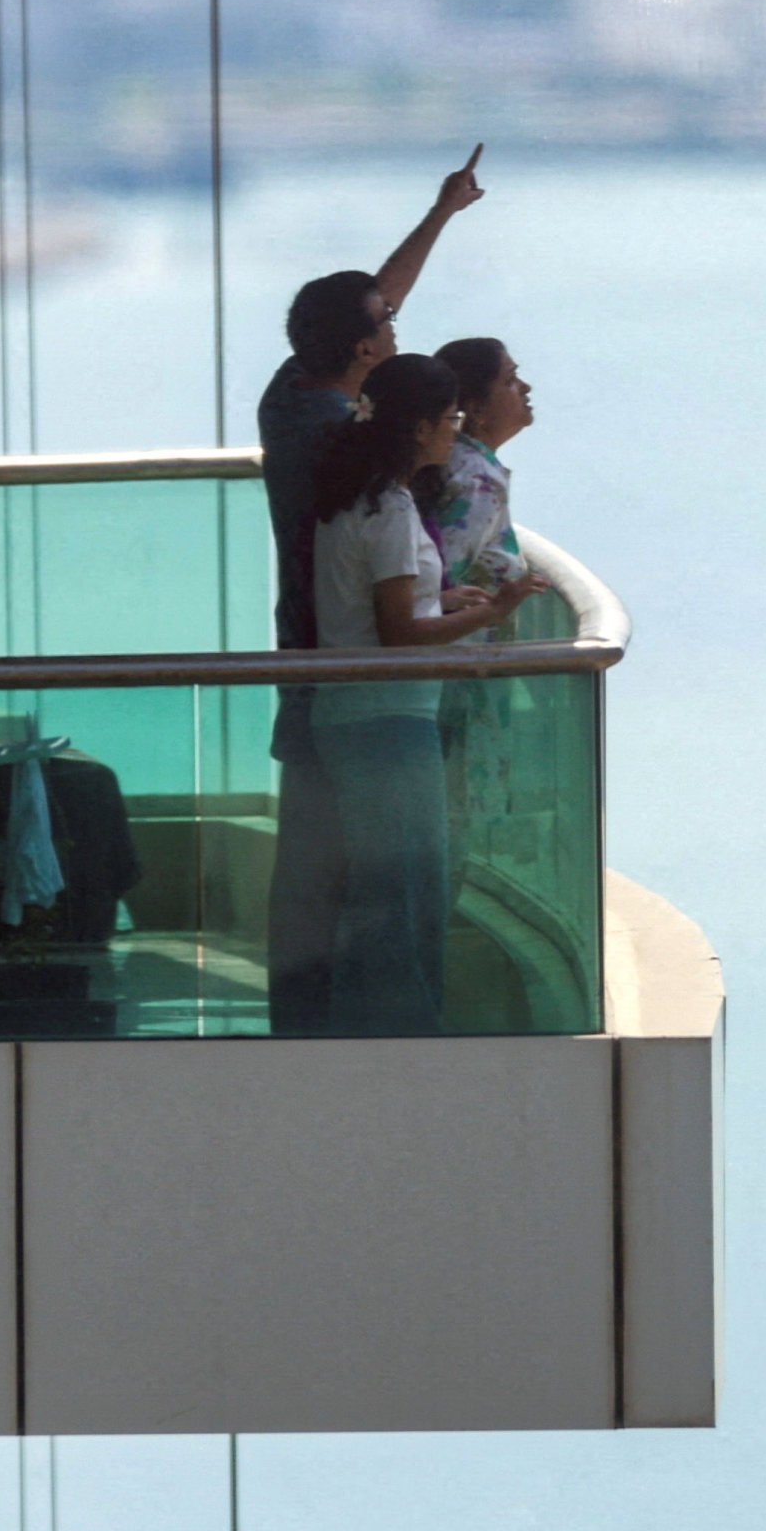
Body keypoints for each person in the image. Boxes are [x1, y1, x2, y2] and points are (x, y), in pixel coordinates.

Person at [258, 149, 487, 1030]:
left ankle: (303, 1024)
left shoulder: (289, 401)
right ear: (362, 352)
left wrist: (439, 216)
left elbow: (374, 303)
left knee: (311, 866)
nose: (393, 329)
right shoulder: (351, 450)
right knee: (367, 873)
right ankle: (361, 1032)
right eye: (384, 328)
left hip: (306, 661)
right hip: (347, 667)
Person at [299, 355, 546, 1031]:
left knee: (392, 886)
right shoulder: (388, 507)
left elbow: (384, 604)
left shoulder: (362, 497)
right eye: (448, 420)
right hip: (385, 718)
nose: (453, 433)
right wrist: (493, 612)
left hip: (365, 715)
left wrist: (443, 597)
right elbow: (399, 631)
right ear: (419, 428)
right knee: (405, 890)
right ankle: (398, 1031)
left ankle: (378, 1025)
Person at [418, 337, 532, 597]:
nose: (525, 387)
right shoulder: (479, 480)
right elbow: (435, 587)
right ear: (476, 410)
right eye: (510, 380)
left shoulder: (451, 461)